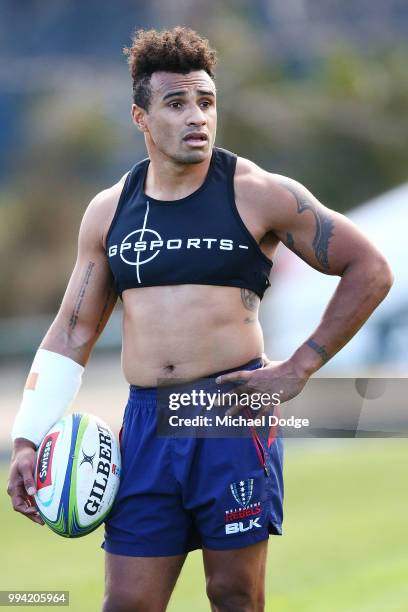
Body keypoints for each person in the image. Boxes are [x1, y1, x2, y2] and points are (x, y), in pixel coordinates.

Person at [8, 27, 393, 612]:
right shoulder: (110, 212)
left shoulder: (259, 193)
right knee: (128, 603)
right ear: (140, 117)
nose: (197, 117)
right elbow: (72, 331)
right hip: (144, 423)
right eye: (176, 103)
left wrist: (302, 366)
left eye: (206, 102)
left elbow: (370, 268)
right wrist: (28, 437)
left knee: (233, 595)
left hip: (229, 417)